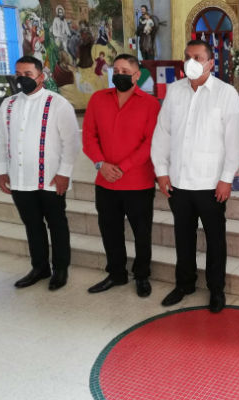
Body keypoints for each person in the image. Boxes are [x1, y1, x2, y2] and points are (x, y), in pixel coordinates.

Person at [151, 40, 239, 313]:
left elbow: (233, 141)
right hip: (179, 181)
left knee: (215, 239)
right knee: (183, 236)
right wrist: (161, 172)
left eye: (199, 57)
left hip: (211, 183)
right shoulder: (174, 91)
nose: (192, 61)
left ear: (210, 63)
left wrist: (227, 178)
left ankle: (216, 290)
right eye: (188, 56)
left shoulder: (225, 94)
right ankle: (184, 284)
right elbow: (163, 133)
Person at [0, 55, 80, 290]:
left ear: (41, 77)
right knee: (32, 224)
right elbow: (1, 140)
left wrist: (64, 173)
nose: (22, 79)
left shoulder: (57, 103)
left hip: (51, 178)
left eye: (28, 75)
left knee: (56, 224)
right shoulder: (8, 104)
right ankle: (40, 267)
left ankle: (60, 269)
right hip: (20, 179)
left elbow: (71, 142)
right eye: (18, 75)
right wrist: (2, 171)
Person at [83, 54, 161, 298]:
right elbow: (88, 137)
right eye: (116, 70)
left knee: (141, 232)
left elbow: (150, 143)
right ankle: (116, 273)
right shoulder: (98, 99)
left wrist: (123, 166)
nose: (119, 74)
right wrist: (101, 164)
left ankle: (141, 275)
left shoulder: (150, 104)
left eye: (125, 70)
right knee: (110, 230)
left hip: (138, 181)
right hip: (105, 181)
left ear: (137, 75)